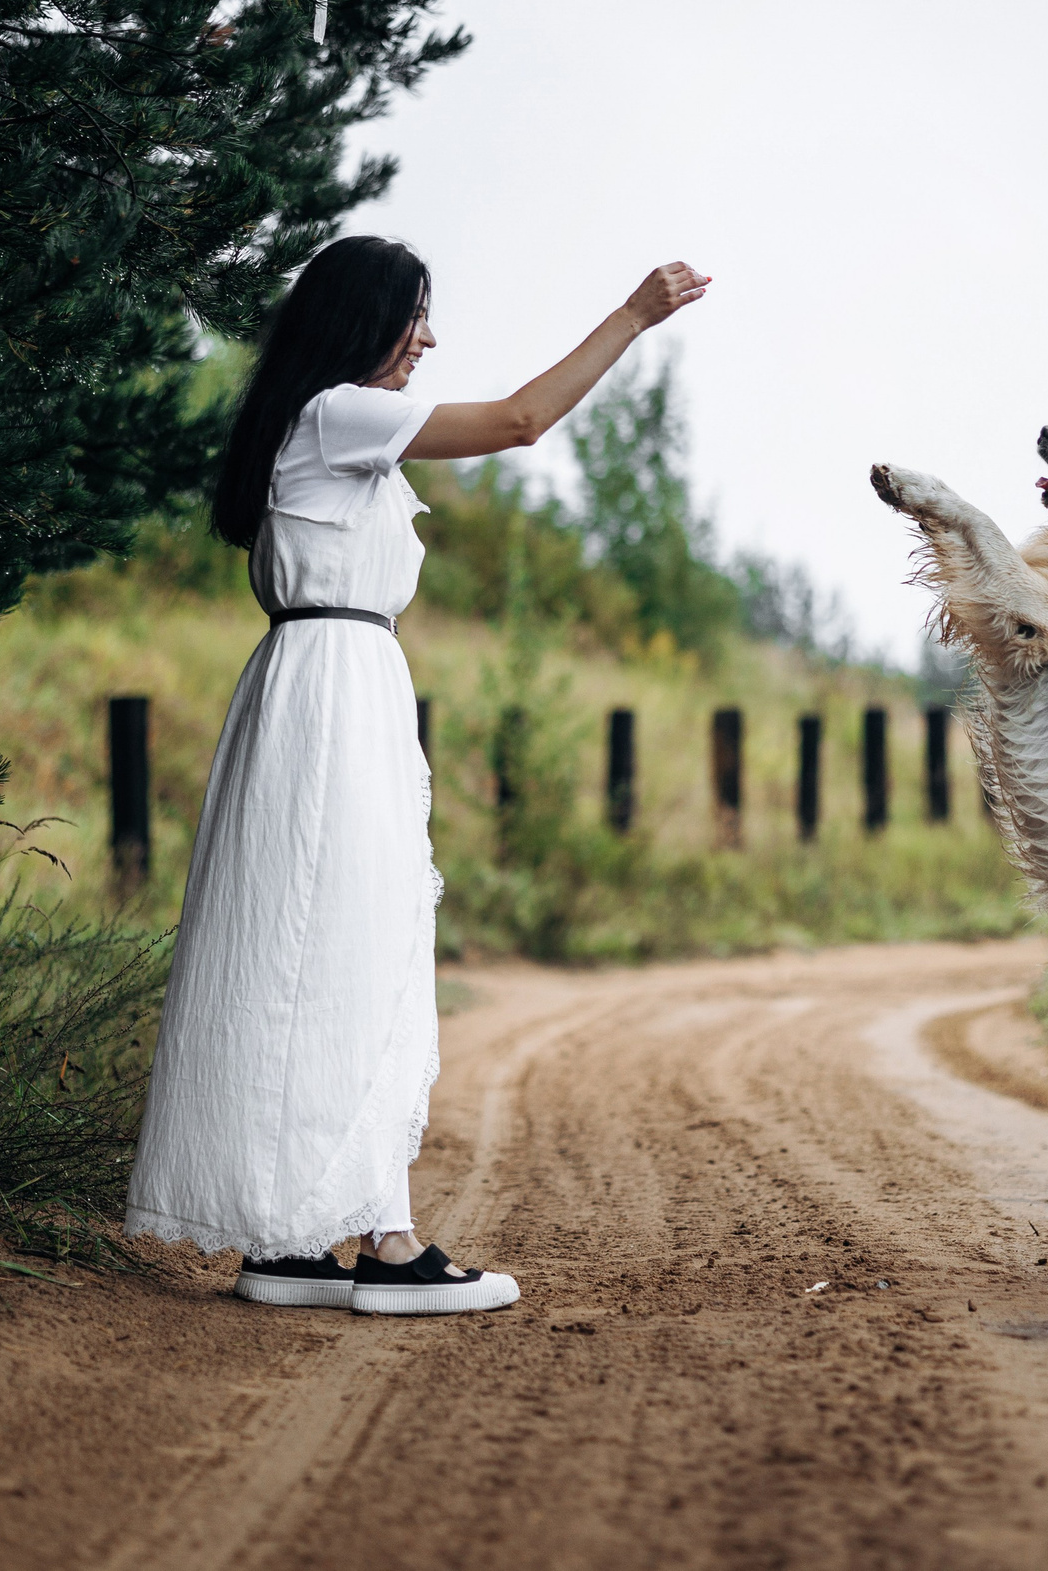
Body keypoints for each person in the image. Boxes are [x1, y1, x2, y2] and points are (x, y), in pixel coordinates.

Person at [124, 237, 709, 1314]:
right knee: (352, 946)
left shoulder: (324, 427)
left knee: (317, 952)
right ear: (361, 322)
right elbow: (520, 421)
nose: (427, 340)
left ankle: (289, 1243)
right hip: (329, 691)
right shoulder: (335, 412)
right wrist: (632, 316)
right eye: (414, 317)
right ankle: (386, 1250)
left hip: (330, 681)